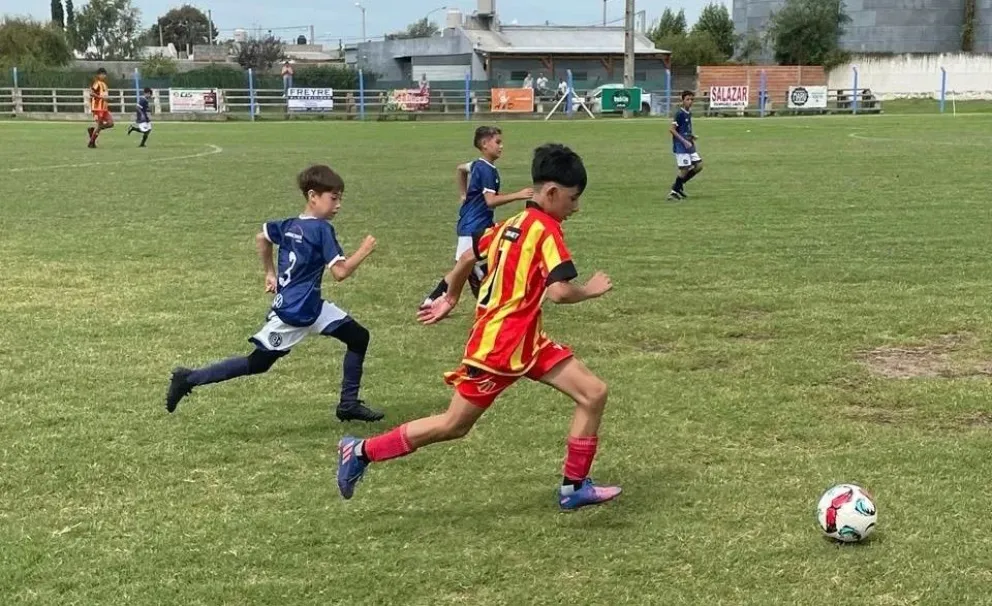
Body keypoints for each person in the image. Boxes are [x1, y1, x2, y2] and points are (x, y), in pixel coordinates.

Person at [338, 143, 622, 511]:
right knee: (454, 425)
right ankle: (360, 450)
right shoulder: (547, 230)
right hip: (498, 349)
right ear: (551, 193)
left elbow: (470, 255)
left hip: (527, 343)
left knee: (593, 393)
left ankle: (574, 487)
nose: (575, 208)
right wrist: (590, 291)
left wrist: (451, 296)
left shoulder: (508, 225)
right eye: (572, 199)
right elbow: (559, 293)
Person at [165, 165, 384, 423]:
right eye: (333, 198)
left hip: (310, 305)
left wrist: (270, 273)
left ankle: (348, 404)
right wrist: (364, 250)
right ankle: (188, 378)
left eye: (340, 199)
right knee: (258, 363)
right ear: (313, 196)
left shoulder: (291, 224)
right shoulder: (322, 230)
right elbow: (340, 272)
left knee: (359, 337)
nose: (338, 205)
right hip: (296, 313)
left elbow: (262, 237)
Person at [422, 126, 532, 306]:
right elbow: (490, 201)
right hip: (473, 227)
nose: (501, 146)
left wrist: (463, 194)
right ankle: (433, 301)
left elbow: (460, 169)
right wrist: (519, 195)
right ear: (484, 144)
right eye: (497, 142)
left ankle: (486, 298)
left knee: (477, 265)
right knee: (463, 269)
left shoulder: (478, 165)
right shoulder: (486, 170)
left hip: (479, 224)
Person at [668, 90, 703, 200]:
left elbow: (684, 129)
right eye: (688, 99)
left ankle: (678, 186)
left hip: (689, 145)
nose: (690, 101)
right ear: (682, 100)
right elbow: (672, 130)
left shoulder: (689, 113)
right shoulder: (679, 113)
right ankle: (673, 192)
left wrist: (691, 136)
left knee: (699, 166)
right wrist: (684, 141)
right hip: (681, 146)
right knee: (685, 169)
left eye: (692, 99)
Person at [87, 68, 114, 148]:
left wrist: (108, 99)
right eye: (102, 74)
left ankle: (93, 131)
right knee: (99, 125)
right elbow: (91, 94)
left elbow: (104, 96)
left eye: (105, 74)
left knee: (110, 123)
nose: (104, 76)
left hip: (104, 108)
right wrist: (102, 98)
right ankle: (91, 143)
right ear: (98, 75)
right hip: (97, 108)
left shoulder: (104, 84)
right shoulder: (97, 83)